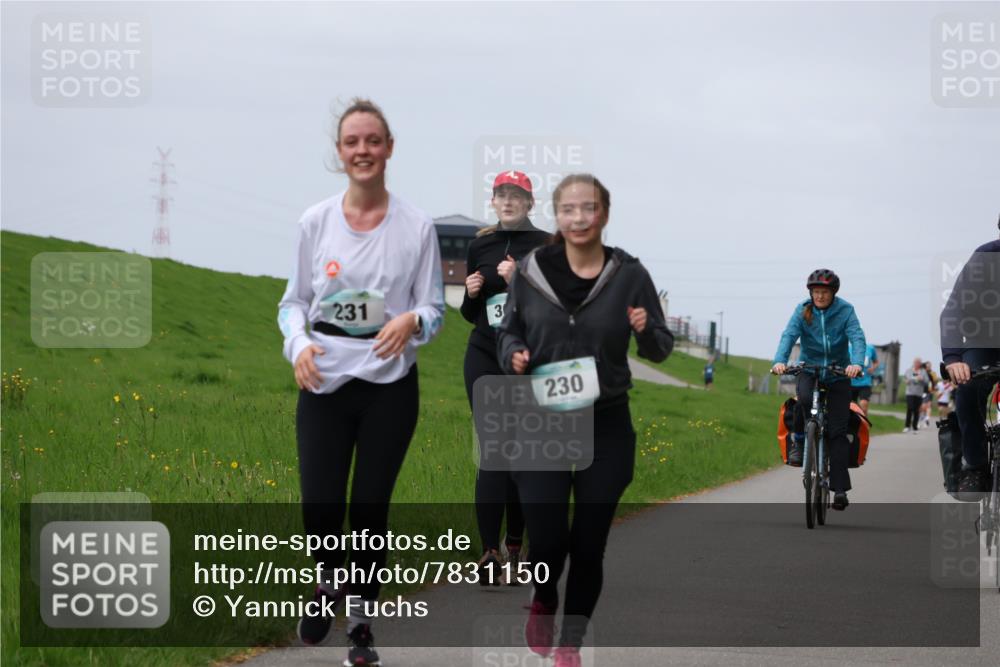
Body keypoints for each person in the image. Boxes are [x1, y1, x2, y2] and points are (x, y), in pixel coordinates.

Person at [277, 98, 444, 666]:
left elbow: (435, 309)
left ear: (389, 148)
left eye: (373, 141)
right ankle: (327, 583)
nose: (363, 151)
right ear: (339, 152)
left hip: (389, 383)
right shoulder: (314, 222)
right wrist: (298, 343)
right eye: (353, 142)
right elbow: (291, 303)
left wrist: (412, 319)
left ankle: (362, 627)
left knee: (369, 510)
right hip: (324, 378)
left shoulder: (417, 225)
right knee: (321, 509)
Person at [497, 174, 673, 666]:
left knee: (590, 542)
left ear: (604, 215)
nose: (578, 218)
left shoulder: (629, 274)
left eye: (588, 209)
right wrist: (513, 352)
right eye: (569, 209)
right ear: (558, 215)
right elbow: (506, 331)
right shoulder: (531, 270)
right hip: (542, 417)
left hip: (606, 420)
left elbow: (660, 348)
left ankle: (570, 644)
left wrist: (646, 329)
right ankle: (545, 597)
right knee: (549, 537)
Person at [461, 170, 550, 583]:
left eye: (517, 196)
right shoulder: (480, 243)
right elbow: (470, 313)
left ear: (530, 204)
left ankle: (518, 538)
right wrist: (472, 292)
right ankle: (490, 553)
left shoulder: (547, 246)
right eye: (502, 195)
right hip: (484, 354)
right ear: (494, 202)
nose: (509, 202)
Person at [771, 269, 865, 511]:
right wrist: (780, 360)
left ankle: (840, 489)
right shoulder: (803, 309)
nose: (820, 296)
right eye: (816, 292)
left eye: (824, 292)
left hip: (839, 373)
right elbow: (789, 335)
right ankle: (800, 441)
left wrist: (856, 364)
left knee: (837, 430)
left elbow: (857, 336)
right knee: (802, 400)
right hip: (810, 369)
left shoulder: (845, 310)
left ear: (833, 293)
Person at [940, 215, 1000, 496]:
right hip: (983, 339)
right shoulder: (984, 258)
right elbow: (953, 310)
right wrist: (953, 359)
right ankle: (974, 467)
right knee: (968, 390)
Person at [849, 340, 879, 415]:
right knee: (851, 408)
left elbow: (876, 362)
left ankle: (864, 425)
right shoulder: (848, 348)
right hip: (851, 383)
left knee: (863, 406)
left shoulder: (870, 348)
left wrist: (873, 368)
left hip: (865, 383)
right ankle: (852, 426)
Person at [903, 358, 930, 433]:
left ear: (920, 364)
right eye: (915, 362)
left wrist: (922, 379)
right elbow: (904, 378)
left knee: (916, 410)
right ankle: (907, 426)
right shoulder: (909, 370)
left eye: (918, 362)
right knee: (910, 407)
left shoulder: (923, 372)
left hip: (918, 393)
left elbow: (927, 382)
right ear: (914, 363)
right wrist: (906, 381)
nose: (917, 364)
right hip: (910, 392)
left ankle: (915, 427)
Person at [921, 361, 938, 427]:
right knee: (923, 406)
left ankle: (927, 418)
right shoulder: (921, 372)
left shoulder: (933, 373)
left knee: (928, 405)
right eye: (927, 366)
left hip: (929, 391)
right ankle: (924, 417)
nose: (929, 367)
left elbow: (936, 381)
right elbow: (914, 376)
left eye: (930, 366)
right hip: (921, 391)